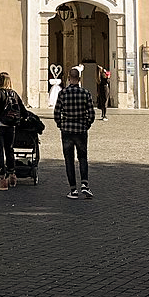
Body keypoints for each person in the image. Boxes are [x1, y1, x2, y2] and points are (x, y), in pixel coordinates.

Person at [54, 67, 96, 199]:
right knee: (83, 158)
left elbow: (56, 112)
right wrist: (86, 124)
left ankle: (73, 189)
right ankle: (85, 184)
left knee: (69, 160)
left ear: (68, 79)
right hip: (81, 130)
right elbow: (91, 113)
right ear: (79, 79)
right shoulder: (85, 93)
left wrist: (61, 124)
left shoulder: (63, 93)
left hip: (67, 130)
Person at [0, 71, 26, 191]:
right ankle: (12, 176)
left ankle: (2, 180)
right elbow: (23, 111)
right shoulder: (14, 94)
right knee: (10, 150)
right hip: (10, 126)